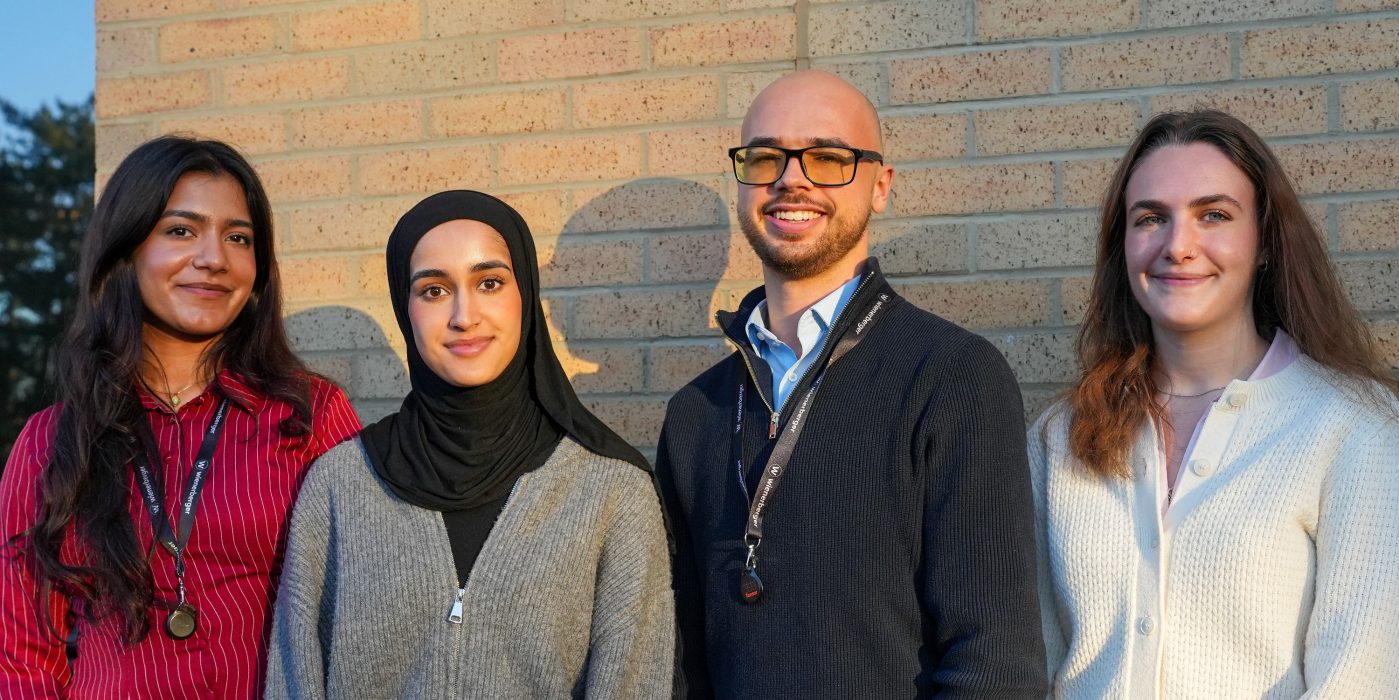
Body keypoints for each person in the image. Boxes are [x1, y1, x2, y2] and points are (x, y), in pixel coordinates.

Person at [655, 70, 1047, 698]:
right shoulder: (695, 414)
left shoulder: (952, 376)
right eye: (766, 158)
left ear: (881, 186)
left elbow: (994, 663)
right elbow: (681, 662)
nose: (792, 178)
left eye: (829, 157)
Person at [1030, 109, 1399, 698]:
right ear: (1121, 246)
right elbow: (1031, 659)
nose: (1179, 246)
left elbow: (1364, 677)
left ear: (1263, 243)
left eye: (1214, 215)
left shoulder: (1355, 427)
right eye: (1151, 218)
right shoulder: (1060, 435)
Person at [265, 190, 673, 698]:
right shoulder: (339, 486)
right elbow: (294, 679)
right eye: (433, 290)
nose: (464, 315)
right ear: (404, 309)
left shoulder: (612, 493)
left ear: (525, 294)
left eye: (490, 283)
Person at [0, 136, 361, 698]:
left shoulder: (310, 416)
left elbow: (363, 611)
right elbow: (23, 658)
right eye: (181, 230)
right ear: (127, 249)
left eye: (238, 238)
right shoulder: (50, 441)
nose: (214, 258)